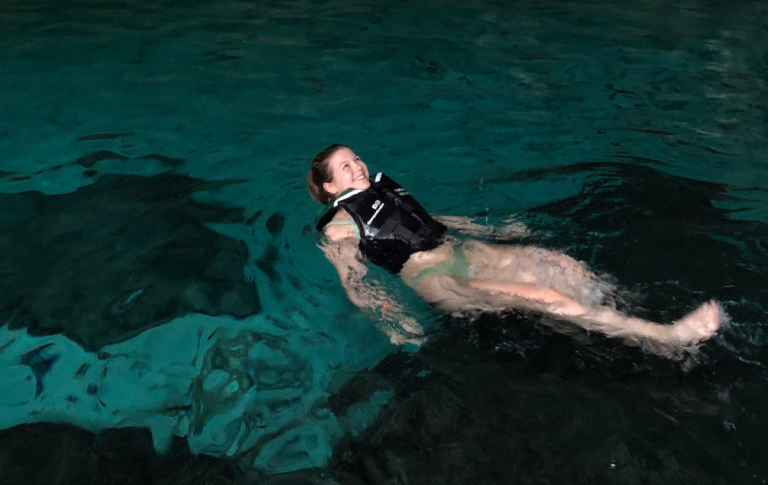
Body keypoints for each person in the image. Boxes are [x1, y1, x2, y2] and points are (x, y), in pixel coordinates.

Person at [307, 144, 724, 353]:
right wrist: (390, 321)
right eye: (346, 166)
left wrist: (488, 228)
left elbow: (424, 222)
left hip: (463, 251)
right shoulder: (338, 231)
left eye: (357, 158)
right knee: (546, 297)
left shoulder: (382, 192)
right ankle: (666, 337)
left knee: (559, 264)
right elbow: (354, 282)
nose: (358, 165)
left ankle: (617, 316)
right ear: (330, 186)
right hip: (437, 277)